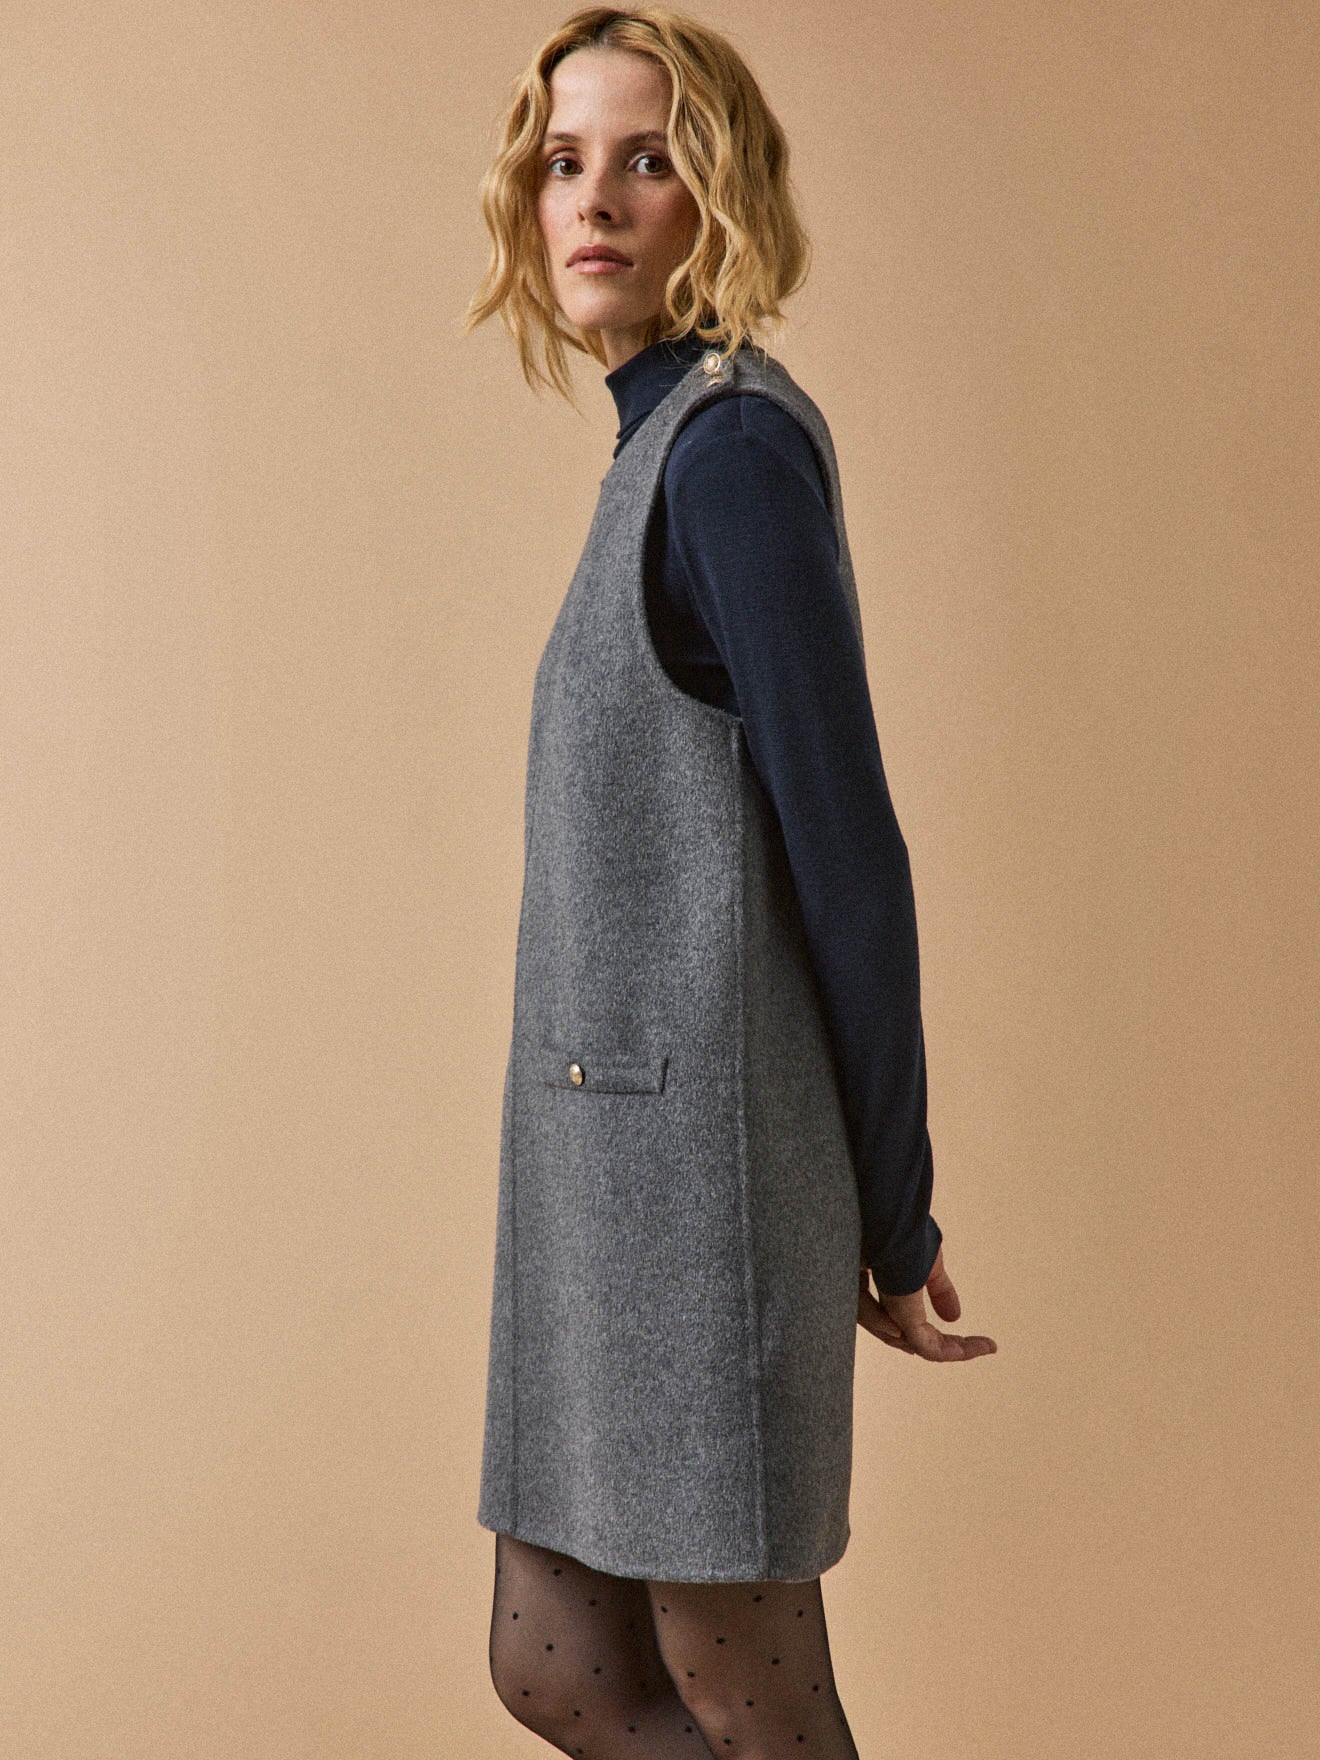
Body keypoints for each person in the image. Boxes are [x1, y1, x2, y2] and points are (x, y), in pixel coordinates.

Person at [461, 9, 997, 1755]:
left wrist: (895, 1214)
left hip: (699, 1200)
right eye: (564, 161)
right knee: (557, 1665)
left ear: (725, 196)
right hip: (599, 1184)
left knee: (748, 1700)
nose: (594, 199)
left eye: (648, 159)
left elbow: (848, 851)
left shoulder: (734, 455)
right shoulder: (655, 451)